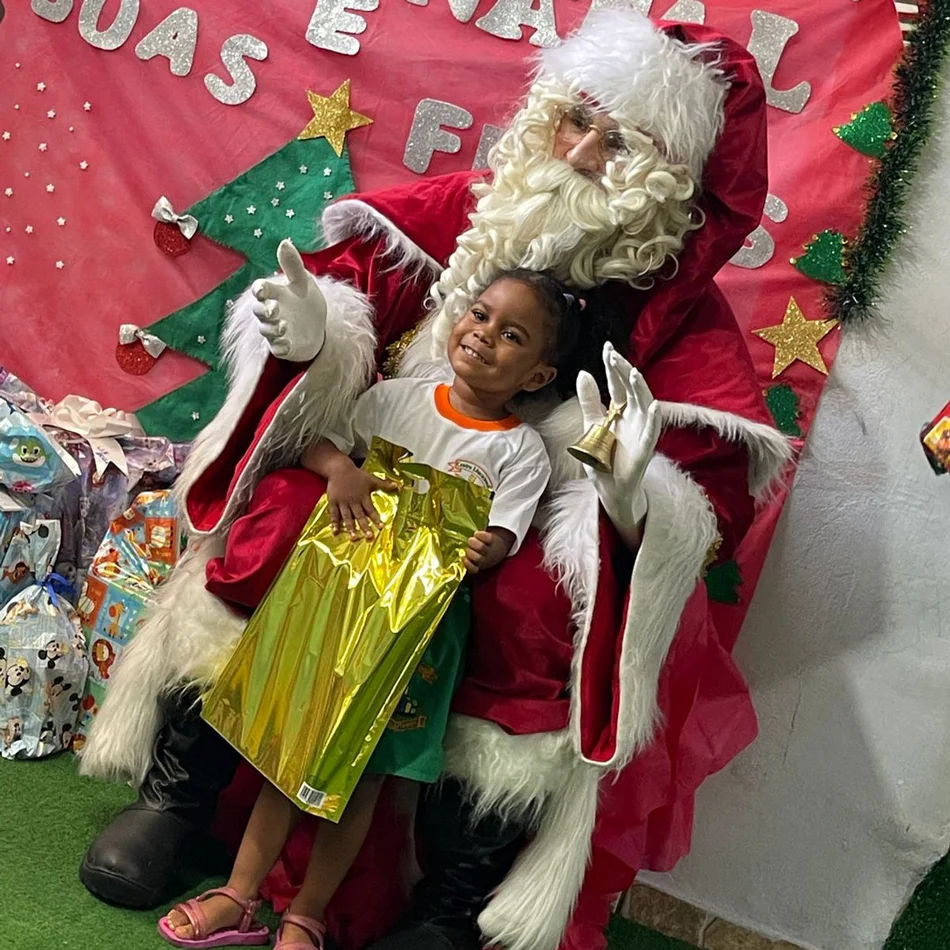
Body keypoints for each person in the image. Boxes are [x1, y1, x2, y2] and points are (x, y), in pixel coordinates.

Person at [79, 11, 792, 950]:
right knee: (284, 518)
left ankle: (451, 904)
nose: (575, 153)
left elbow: (705, 498)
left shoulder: (676, 319)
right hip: (378, 488)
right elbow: (343, 313)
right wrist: (309, 341)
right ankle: (181, 796)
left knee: (538, 610)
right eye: (571, 119)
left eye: (613, 141)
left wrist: (627, 496)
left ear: (666, 180)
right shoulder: (469, 214)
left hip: (502, 528)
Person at [157, 270, 580, 950]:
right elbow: (320, 441)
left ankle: (307, 916)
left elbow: (505, 533)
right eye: (480, 315)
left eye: (512, 336)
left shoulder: (518, 451)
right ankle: (239, 896)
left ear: (536, 375)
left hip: (417, 643)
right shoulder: (394, 401)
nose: (484, 336)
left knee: (363, 780)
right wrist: (340, 471)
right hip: (333, 612)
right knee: (285, 752)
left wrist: (486, 549)